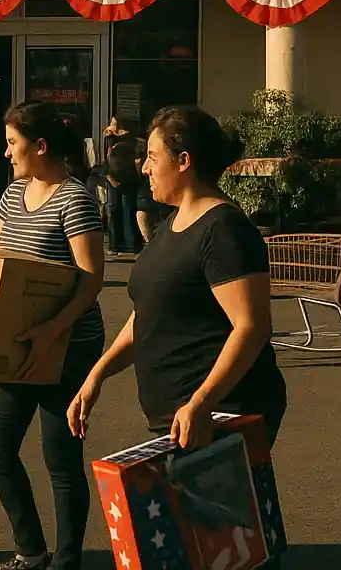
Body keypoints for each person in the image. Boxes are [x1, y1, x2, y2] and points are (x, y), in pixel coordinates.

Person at [68, 105, 286, 453]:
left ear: (184, 161)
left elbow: (252, 327)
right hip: (179, 418)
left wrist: (201, 402)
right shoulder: (171, 224)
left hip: (221, 415)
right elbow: (149, 312)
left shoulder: (224, 229)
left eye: (153, 157)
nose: (144, 168)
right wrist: (98, 374)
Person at [0, 102, 105, 570]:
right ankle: (31, 550)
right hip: (21, 341)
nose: (6, 152)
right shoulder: (13, 193)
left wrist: (52, 332)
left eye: (12, 143)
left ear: (40, 146)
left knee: (60, 455)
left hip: (69, 344)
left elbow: (90, 281)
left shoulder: (75, 200)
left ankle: (67, 561)